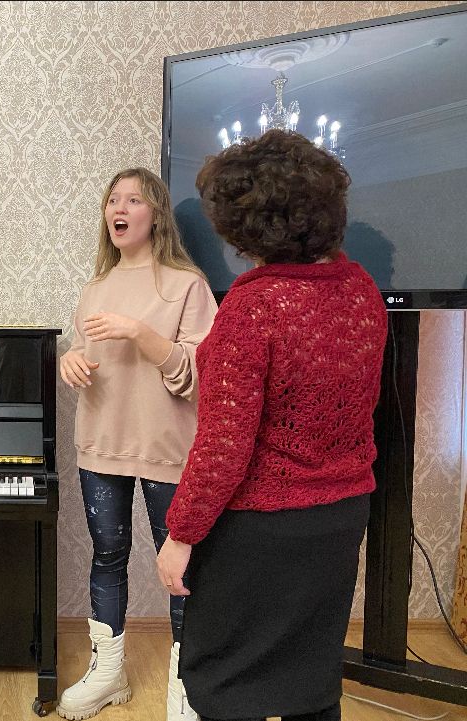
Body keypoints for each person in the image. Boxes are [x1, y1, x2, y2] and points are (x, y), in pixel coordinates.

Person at [157, 129, 388, 721]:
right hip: (341, 517)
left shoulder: (253, 307)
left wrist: (180, 536)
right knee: (312, 680)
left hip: (261, 528)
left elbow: (224, 446)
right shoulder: (363, 291)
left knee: (225, 683)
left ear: (246, 225)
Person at [56, 168, 218, 721]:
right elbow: (89, 354)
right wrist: (70, 359)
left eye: (133, 199)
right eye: (112, 199)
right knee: (107, 556)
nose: (118, 208)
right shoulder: (95, 287)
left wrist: (140, 332)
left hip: (168, 449)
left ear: (156, 214)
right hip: (101, 442)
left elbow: (198, 375)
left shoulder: (187, 285)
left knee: (180, 571)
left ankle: (188, 684)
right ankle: (109, 673)